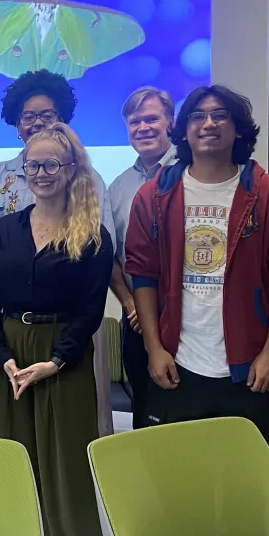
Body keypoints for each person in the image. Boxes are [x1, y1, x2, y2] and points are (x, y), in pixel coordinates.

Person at [125, 84, 269, 536]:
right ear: (183, 129)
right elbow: (140, 271)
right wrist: (157, 348)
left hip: (247, 362)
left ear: (237, 130)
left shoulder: (267, 194)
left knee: (246, 476)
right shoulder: (157, 193)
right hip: (178, 360)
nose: (208, 124)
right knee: (183, 475)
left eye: (220, 116)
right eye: (198, 116)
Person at [0, 122, 113, 536]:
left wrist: (55, 362)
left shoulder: (92, 235)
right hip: (10, 362)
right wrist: (4, 359)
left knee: (66, 472)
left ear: (72, 169)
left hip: (64, 362)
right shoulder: (6, 229)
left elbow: (90, 312)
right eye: (32, 164)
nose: (40, 173)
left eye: (50, 164)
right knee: (12, 466)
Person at [0, 69, 114, 278]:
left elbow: (102, 244)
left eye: (47, 115)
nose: (37, 123)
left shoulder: (87, 178)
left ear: (61, 119)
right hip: (8, 303)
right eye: (28, 117)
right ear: (17, 125)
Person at [106, 86, 175, 428]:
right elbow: (109, 254)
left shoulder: (193, 173)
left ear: (170, 122)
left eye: (152, 119)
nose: (143, 128)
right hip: (135, 320)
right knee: (146, 416)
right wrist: (131, 304)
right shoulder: (117, 188)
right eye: (135, 122)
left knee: (189, 419)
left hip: (190, 320)